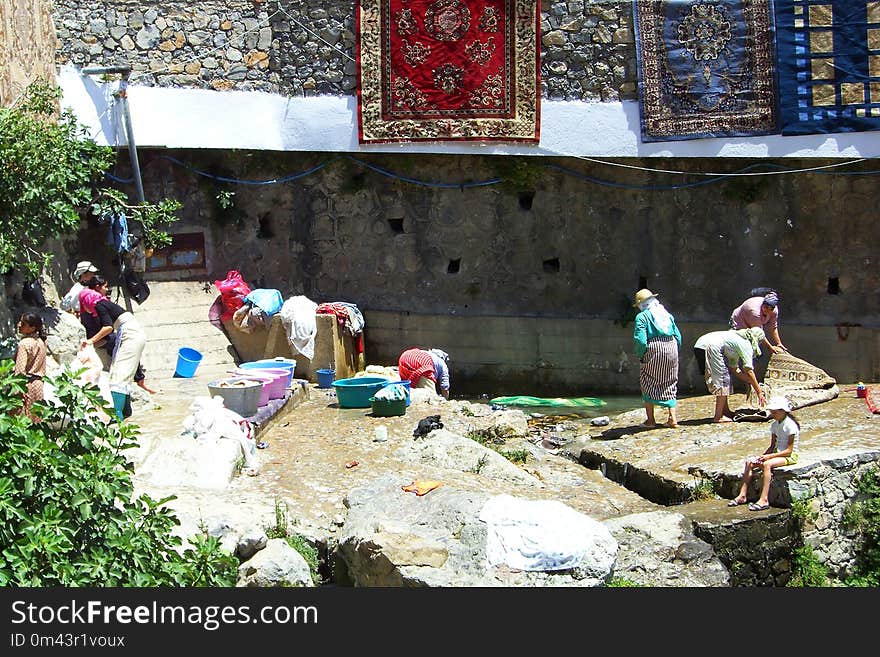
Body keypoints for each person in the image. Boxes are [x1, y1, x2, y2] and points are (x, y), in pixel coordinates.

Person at [79, 275, 147, 420]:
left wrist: (90, 341)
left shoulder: (98, 304)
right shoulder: (104, 303)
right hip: (132, 332)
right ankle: (126, 411)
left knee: (118, 376)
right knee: (125, 373)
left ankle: (116, 416)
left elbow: (108, 328)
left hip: (130, 334)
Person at [728, 395, 800, 511]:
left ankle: (764, 499)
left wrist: (768, 457)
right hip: (777, 454)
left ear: (783, 411)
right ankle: (742, 495)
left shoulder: (791, 426)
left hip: (789, 456)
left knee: (767, 465)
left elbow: (788, 451)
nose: (773, 414)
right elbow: (772, 446)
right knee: (750, 462)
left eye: (775, 412)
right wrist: (762, 456)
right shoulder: (774, 425)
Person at [693, 327, 767, 423]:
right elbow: (748, 370)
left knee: (725, 377)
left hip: (700, 345)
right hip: (710, 347)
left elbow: (734, 369)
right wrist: (759, 391)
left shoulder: (735, 340)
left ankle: (725, 411)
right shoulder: (745, 344)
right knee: (723, 380)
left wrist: (751, 382)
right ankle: (718, 416)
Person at [632, 288, 681, 428]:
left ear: (641, 304)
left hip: (654, 349)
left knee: (647, 379)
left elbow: (640, 340)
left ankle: (651, 420)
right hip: (672, 347)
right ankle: (672, 418)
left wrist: (641, 355)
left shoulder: (642, 317)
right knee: (670, 380)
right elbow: (678, 336)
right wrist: (675, 352)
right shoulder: (666, 315)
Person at [730, 290, 787, 355]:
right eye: (765, 307)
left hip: (755, 324)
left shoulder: (774, 311)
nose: (766, 310)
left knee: (755, 350)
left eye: (770, 309)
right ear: (763, 304)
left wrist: (778, 343)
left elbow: (773, 327)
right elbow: (758, 333)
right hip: (739, 322)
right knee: (739, 346)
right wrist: (769, 347)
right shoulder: (754, 312)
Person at [13, 312, 47, 420]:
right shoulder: (41, 342)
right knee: (35, 420)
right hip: (38, 386)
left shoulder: (24, 344)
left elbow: (19, 372)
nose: (19, 325)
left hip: (26, 387)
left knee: (21, 420)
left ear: (32, 328)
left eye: (23, 324)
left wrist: (17, 391)